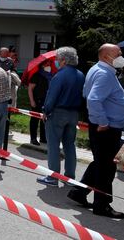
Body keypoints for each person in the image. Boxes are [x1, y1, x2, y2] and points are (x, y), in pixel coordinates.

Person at [67, 43, 124, 219]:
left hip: (105, 126)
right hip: (106, 127)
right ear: (105, 57)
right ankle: (102, 204)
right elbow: (94, 100)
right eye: (118, 54)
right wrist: (102, 121)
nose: (121, 57)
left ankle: (79, 192)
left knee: (100, 162)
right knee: (107, 167)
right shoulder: (103, 74)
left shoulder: (100, 69)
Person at [37, 47, 85, 186]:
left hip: (58, 113)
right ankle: (69, 177)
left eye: (57, 59)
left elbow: (51, 96)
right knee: (70, 145)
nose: (56, 62)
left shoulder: (59, 75)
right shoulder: (80, 74)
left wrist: (46, 111)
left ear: (64, 60)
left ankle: (53, 177)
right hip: (74, 113)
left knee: (53, 146)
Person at [28, 60, 53, 145]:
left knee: (45, 119)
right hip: (37, 100)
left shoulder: (50, 76)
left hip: (47, 101)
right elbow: (30, 89)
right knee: (35, 120)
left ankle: (43, 137)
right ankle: (33, 138)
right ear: (42, 65)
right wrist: (32, 101)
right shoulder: (37, 75)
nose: (49, 65)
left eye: (49, 64)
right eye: (47, 64)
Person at [0, 47, 15, 152]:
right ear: (0, 53)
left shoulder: (10, 62)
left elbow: (14, 72)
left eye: (7, 53)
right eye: (4, 53)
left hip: (7, 87)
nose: (6, 55)